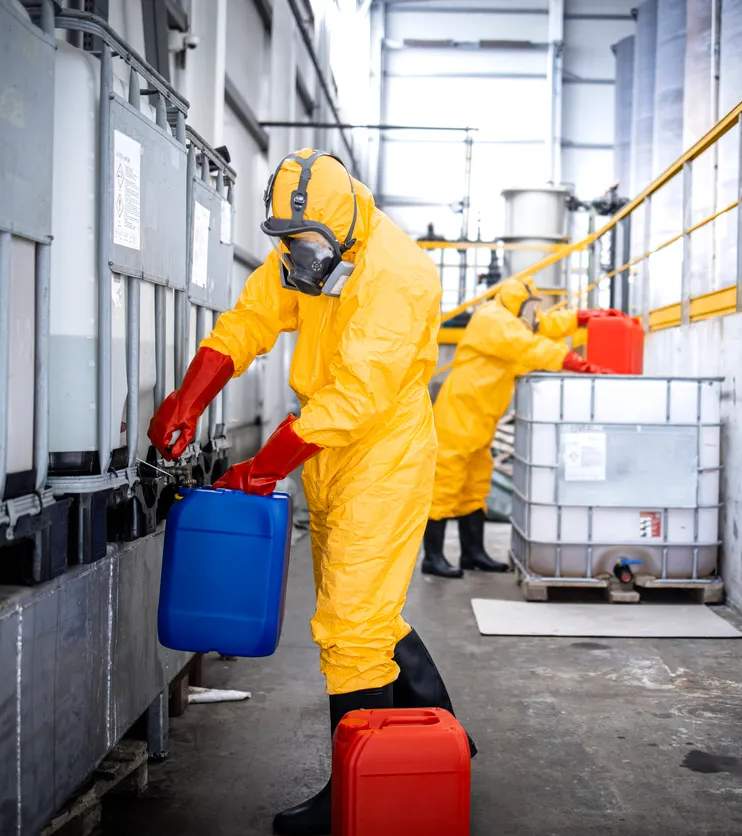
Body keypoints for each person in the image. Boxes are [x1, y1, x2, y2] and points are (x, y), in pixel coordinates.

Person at [148, 149, 474, 836]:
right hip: (325, 454)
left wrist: (265, 466)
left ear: (344, 226)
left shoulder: (399, 272)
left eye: (307, 246)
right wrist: (192, 393)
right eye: (288, 246)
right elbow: (250, 321)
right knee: (364, 609)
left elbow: (356, 396)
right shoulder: (304, 250)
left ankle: (354, 793)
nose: (298, 260)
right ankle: (447, 741)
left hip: (381, 453)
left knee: (352, 625)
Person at [423, 276, 612, 578]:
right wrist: (575, 362)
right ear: (516, 304)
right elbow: (528, 345)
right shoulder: (492, 319)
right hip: (458, 415)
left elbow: (542, 325)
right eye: (530, 306)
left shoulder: (512, 318)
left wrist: (580, 317)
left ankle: (473, 553)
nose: (533, 313)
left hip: (481, 418)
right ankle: (432, 557)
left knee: (475, 486)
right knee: (444, 486)